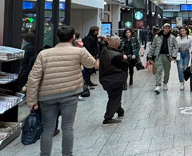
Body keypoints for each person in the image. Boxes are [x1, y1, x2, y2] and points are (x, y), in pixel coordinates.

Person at [26, 26, 96, 156]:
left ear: (58, 37)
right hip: (69, 94)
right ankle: (67, 154)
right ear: (73, 37)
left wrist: (32, 99)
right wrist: (82, 48)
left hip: (47, 96)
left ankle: (45, 154)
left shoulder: (44, 54)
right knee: (67, 127)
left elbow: (33, 77)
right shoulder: (78, 52)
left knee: (47, 128)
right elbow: (91, 64)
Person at [98, 35, 128, 124]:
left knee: (113, 96)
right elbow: (125, 65)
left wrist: (103, 41)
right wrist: (125, 59)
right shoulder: (117, 56)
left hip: (105, 79)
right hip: (116, 79)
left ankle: (119, 110)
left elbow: (102, 44)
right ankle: (108, 117)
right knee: (114, 98)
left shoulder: (104, 51)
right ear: (118, 43)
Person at [148, 24, 178, 94]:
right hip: (158, 56)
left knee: (167, 71)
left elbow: (175, 47)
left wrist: (174, 55)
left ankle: (165, 83)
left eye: (168, 28)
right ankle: (158, 85)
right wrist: (150, 56)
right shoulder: (157, 36)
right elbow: (153, 46)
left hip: (167, 56)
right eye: (165, 28)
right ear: (163, 28)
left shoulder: (172, 37)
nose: (167, 29)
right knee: (158, 70)